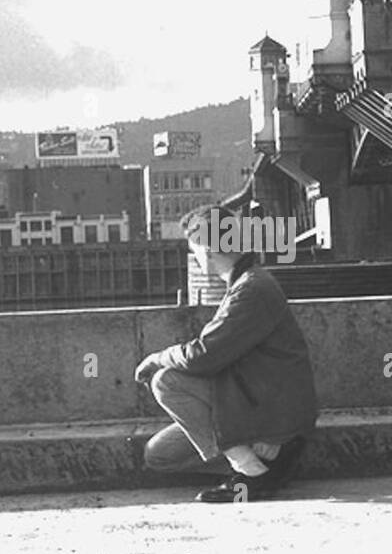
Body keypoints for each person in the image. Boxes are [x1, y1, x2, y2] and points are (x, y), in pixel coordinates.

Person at [136, 204, 318, 503]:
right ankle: (265, 462)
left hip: (271, 411)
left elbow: (202, 357)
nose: (194, 258)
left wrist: (157, 357)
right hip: (250, 398)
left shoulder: (251, 290)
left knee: (166, 382)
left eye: (194, 250)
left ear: (208, 249)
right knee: (160, 455)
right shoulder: (247, 282)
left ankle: (251, 473)